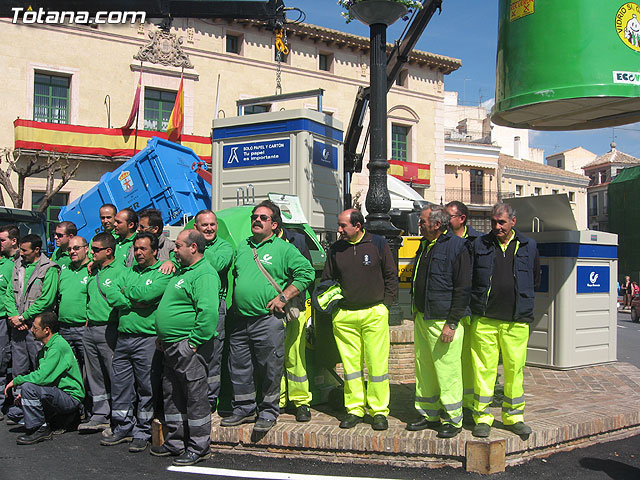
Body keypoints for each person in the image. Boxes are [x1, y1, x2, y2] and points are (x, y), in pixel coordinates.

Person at [222, 201, 314, 433]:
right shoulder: (243, 247)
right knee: (240, 367)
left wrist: (283, 297)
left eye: (263, 218)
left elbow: (307, 273)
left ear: (274, 224)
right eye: (255, 216)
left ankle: (268, 411)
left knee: (270, 368)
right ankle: (243, 409)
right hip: (241, 320)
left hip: (268, 320)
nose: (257, 220)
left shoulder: (283, 248)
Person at [321, 209, 398, 431]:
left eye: (343, 226)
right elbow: (327, 281)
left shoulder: (379, 243)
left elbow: (391, 275)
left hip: (374, 313)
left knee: (377, 365)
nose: (339, 230)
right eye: (339, 225)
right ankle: (354, 409)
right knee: (351, 367)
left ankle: (378, 411)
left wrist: (386, 305)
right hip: (344, 316)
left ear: (358, 226)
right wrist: (334, 308)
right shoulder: (336, 249)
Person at [469, 203, 540, 438]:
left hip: (516, 321)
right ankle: (481, 417)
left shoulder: (529, 246)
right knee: (483, 370)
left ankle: (513, 416)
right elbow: (470, 278)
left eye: (501, 222)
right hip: (485, 319)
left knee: (514, 370)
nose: (497, 227)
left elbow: (535, 278)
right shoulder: (479, 244)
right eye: (493, 222)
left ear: (513, 222)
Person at [152, 229, 220, 466]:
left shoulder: (204, 274)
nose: (173, 250)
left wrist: (192, 343)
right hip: (171, 346)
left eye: (178, 246)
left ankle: (199, 447)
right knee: (172, 394)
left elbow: (208, 313)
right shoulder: (184, 272)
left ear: (193, 247)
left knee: (195, 396)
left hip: (188, 347)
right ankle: (176, 442)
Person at [101, 232, 172, 453]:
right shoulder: (127, 272)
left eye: (143, 249)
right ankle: (122, 427)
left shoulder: (163, 272)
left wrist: (130, 296)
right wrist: (132, 301)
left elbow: (149, 294)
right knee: (121, 386)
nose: (138, 253)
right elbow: (110, 291)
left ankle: (142, 432)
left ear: (154, 251)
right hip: (124, 339)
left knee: (146, 388)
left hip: (148, 340)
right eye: (136, 249)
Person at [406, 205, 471, 438]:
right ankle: (428, 413)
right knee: (424, 369)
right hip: (424, 317)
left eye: (422, 222)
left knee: (448, 371)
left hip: (443, 320)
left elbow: (463, 288)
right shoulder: (425, 245)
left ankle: (454, 419)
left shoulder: (457, 246)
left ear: (436, 224)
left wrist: (452, 323)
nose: (419, 225)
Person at [4, 312, 84, 445]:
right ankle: (55, 420)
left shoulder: (57, 346)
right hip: (54, 393)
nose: (31, 330)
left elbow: (42, 377)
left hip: (69, 397)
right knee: (14, 412)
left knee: (28, 387)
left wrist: (17, 381)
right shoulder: (44, 349)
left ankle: (40, 428)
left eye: (35, 328)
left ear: (46, 330)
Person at [5, 233, 60, 422]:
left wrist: (24, 317)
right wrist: (15, 318)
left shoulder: (49, 269)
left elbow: (46, 299)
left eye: (25, 250)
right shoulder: (18, 265)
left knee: (40, 366)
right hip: (19, 326)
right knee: (18, 368)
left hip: (37, 327)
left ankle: (41, 410)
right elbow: (8, 294)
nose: (21, 253)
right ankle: (20, 408)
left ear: (37, 250)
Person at [79, 232, 126, 432]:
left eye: (96, 250)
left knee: (113, 373)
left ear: (108, 251)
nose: (91, 253)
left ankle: (118, 414)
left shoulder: (121, 271)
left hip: (109, 329)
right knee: (94, 373)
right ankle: (100, 413)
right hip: (90, 329)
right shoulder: (94, 271)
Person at [445, 200, 483, 423]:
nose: (445, 220)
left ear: (462, 219)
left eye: (449, 216)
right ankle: (451, 403)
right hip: (447, 308)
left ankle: (468, 404)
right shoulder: (441, 241)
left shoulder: (476, 241)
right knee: (450, 361)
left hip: (469, 308)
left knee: (469, 359)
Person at [193, 209, 234, 412]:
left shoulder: (224, 247)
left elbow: (218, 264)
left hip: (215, 306)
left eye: (212, 224)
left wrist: (197, 248)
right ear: (196, 227)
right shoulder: (188, 246)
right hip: (190, 306)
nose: (209, 228)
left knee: (213, 354)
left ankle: (210, 399)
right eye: (204, 225)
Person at [275, 223, 313, 422]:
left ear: (275, 223)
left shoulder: (297, 240)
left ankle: (301, 402)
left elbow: (307, 274)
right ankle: (279, 401)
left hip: (295, 305)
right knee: (276, 355)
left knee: (296, 355)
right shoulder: (257, 243)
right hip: (271, 308)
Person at [57, 236, 90, 371]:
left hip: (83, 328)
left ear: (86, 249)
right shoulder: (65, 271)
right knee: (67, 367)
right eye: (69, 249)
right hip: (64, 328)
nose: (72, 251)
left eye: (76, 248)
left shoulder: (92, 270)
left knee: (87, 367)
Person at [0, 225, 20, 419]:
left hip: (7, 320)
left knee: (5, 359)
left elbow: (10, 294)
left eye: (2, 240)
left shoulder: (13, 265)